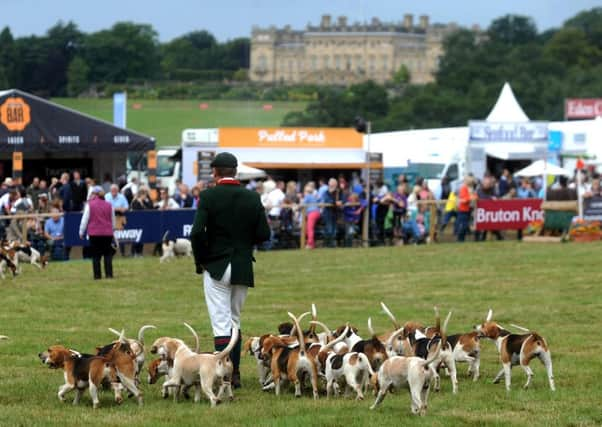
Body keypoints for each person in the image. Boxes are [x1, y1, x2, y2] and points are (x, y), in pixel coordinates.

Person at [190, 152, 270, 389]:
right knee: (234, 319)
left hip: (217, 265)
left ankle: (224, 374)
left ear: (215, 172)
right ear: (235, 171)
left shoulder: (208, 196)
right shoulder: (252, 198)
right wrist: (245, 244)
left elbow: (196, 233)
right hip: (243, 265)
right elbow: (264, 234)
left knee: (221, 323)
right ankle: (234, 375)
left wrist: (201, 260)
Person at [79, 186, 115, 279]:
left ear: (95, 195)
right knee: (107, 255)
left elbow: (85, 219)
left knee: (96, 255)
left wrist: (81, 231)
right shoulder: (109, 205)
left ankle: (97, 276)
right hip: (107, 233)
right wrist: (113, 230)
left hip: (94, 233)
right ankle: (109, 274)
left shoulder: (90, 205)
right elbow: (112, 220)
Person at [302, 182, 320, 249]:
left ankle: (310, 244)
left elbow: (302, 204)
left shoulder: (307, 196)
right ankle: (311, 244)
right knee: (308, 229)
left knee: (310, 229)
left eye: (304, 191)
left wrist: (295, 207)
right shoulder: (313, 196)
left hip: (312, 213)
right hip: (316, 212)